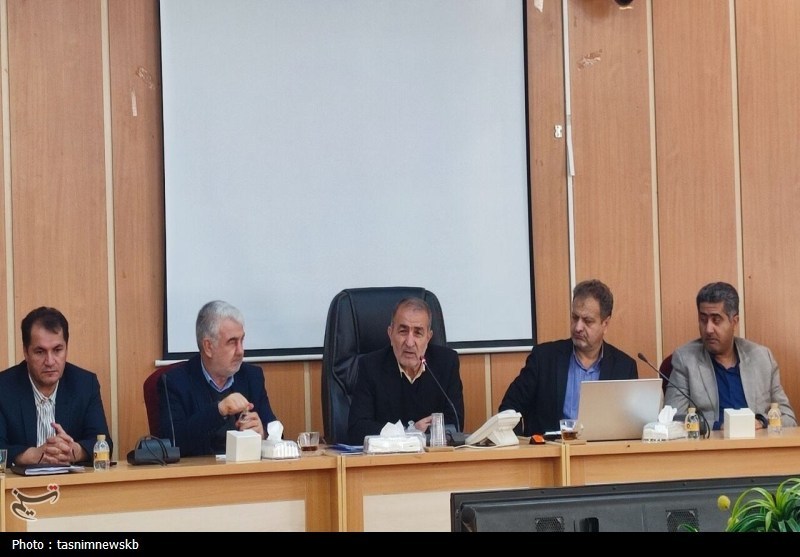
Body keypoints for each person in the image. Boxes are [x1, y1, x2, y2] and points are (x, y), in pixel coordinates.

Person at [499, 279, 638, 436]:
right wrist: (521, 444)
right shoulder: (544, 358)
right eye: (574, 317)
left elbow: (631, 425)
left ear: (605, 324)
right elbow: (509, 409)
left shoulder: (624, 368)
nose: (578, 327)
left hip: (601, 450)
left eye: (587, 321)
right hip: (550, 449)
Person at [665, 281, 796, 432]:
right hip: (711, 444)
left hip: (757, 444)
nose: (708, 329)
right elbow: (671, 419)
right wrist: (719, 426)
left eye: (716, 320)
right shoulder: (685, 360)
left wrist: (762, 422)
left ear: (734, 321)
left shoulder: (762, 358)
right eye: (703, 319)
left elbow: (788, 418)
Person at [158, 300, 278, 456]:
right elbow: (173, 443)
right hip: (200, 470)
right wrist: (219, 410)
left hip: (246, 469)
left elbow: (277, 434)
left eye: (242, 340)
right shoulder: (175, 382)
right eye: (232, 342)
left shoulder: (251, 377)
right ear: (208, 347)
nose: (241, 351)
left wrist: (264, 435)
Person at [0, 306, 112, 466]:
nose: (50, 361)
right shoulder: (3, 388)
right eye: (40, 352)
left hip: (70, 481)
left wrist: (73, 451)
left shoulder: (85, 384)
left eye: (57, 350)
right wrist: (33, 455)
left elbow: (103, 442)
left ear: (66, 348)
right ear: (26, 352)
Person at [347, 297, 464, 445]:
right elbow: (357, 428)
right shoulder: (371, 366)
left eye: (418, 333)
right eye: (403, 331)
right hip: (386, 457)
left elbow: (454, 425)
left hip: (432, 457)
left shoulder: (446, 363)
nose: (409, 342)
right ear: (390, 334)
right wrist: (409, 432)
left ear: (428, 337)